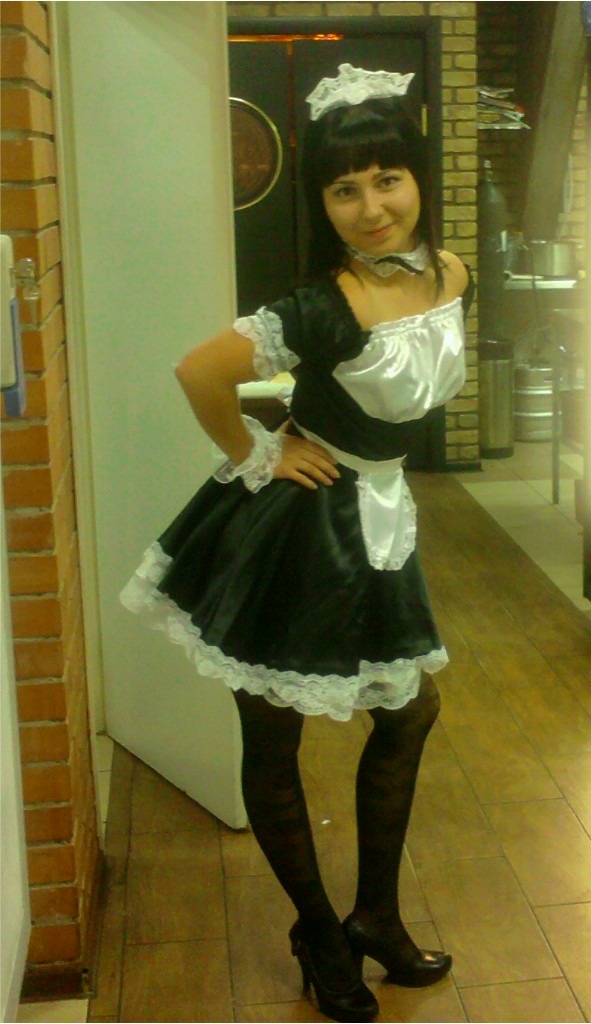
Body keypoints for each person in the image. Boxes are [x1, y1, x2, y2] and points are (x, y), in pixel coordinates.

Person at [121, 63, 473, 1024]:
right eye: (344, 189)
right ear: (321, 201)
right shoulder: (321, 305)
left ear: (417, 175)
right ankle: (319, 932)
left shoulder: (451, 274)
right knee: (273, 735)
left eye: (387, 179)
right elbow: (199, 370)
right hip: (297, 531)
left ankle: (375, 917)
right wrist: (259, 451)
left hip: (381, 516)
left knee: (407, 713)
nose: (371, 207)